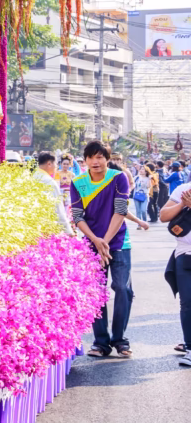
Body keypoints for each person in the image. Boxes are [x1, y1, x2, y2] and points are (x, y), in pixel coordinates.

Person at [71, 140, 133, 358]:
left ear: (107, 159)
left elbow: (120, 210)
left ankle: (120, 340)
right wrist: (95, 241)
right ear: (85, 159)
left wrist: (104, 241)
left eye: (100, 157)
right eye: (91, 157)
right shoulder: (78, 182)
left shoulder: (118, 178)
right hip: (91, 244)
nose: (95, 162)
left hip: (118, 244)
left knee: (123, 289)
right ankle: (101, 343)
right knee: (96, 293)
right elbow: (77, 216)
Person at [161, 179, 191, 366]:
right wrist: (183, 204)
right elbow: (163, 215)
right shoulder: (183, 189)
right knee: (187, 302)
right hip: (185, 254)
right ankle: (190, 347)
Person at [34, 152, 75, 235]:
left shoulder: (33, 177)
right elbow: (58, 209)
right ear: (49, 164)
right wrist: (69, 231)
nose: (56, 167)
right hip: (47, 226)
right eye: (56, 164)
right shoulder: (49, 181)